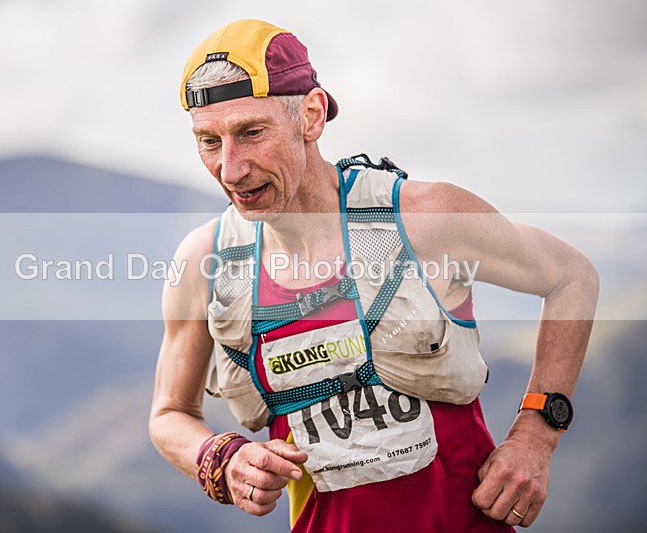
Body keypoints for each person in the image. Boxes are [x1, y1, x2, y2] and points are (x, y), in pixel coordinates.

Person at [149, 19, 598, 532]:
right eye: (209, 141)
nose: (230, 170)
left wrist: (535, 437)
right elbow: (168, 415)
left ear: (311, 116)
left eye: (251, 133)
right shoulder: (205, 263)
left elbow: (571, 278)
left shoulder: (425, 219)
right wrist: (221, 460)